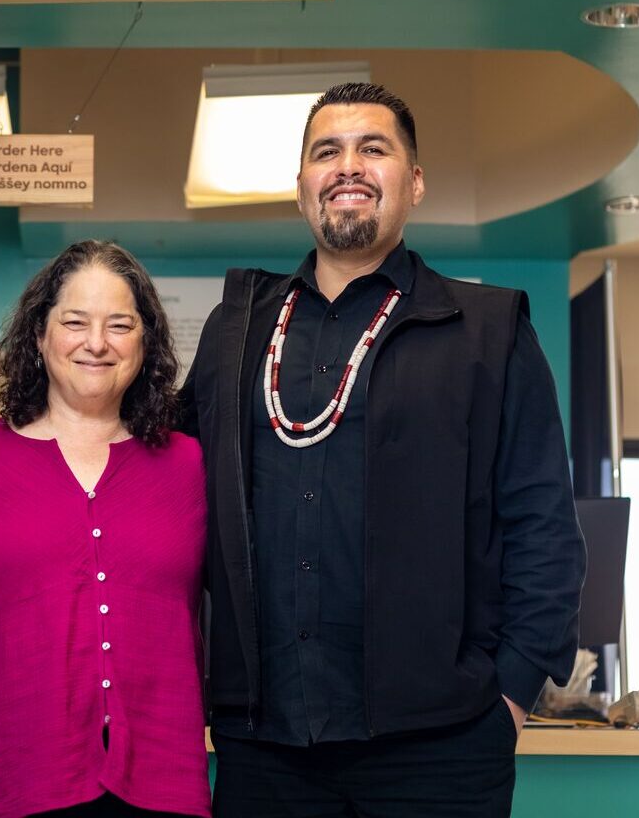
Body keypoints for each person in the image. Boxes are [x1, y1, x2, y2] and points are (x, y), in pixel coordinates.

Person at [180, 82, 586, 817]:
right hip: (265, 749)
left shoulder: (488, 331)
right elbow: (161, 487)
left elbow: (544, 526)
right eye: (326, 152)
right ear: (301, 185)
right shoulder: (237, 332)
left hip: (441, 749)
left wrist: (511, 697)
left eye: (374, 149)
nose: (348, 166)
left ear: (415, 182)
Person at [0, 241, 210, 818]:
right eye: (75, 322)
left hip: (162, 780)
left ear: (145, 343)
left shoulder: (190, 467)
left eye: (120, 325)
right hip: (8, 780)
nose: (97, 342)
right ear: (39, 335)